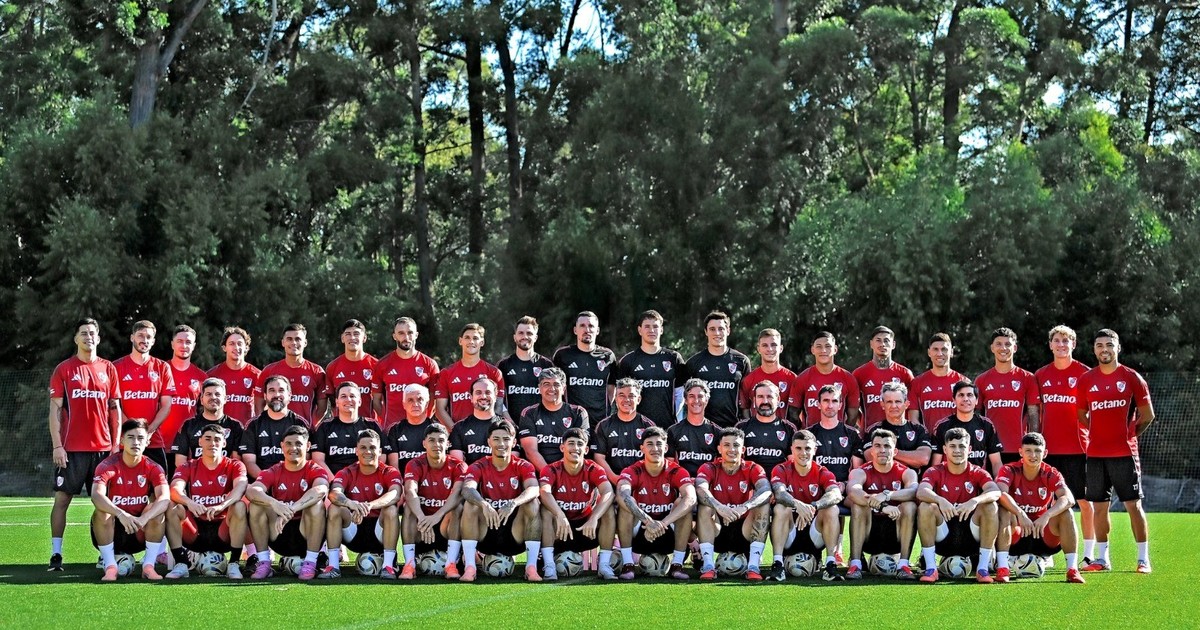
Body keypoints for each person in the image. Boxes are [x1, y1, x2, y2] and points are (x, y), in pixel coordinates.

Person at [1077, 328, 1155, 573]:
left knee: (1133, 505)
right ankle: (1102, 559)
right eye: (1100, 345)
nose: (1104, 349)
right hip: (1095, 455)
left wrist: (1128, 435)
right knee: (1099, 507)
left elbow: (1148, 416)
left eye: (1109, 345)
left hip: (1124, 454)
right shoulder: (1086, 380)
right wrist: (1098, 434)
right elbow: (1081, 415)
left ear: (1118, 348)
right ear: (1094, 350)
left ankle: (1143, 559)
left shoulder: (1132, 378)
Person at [48, 318, 123, 571]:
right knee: (62, 500)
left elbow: (115, 410)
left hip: (103, 450)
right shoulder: (64, 369)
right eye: (83, 333)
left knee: (104, 504)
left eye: (92, 333)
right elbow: (55, 410)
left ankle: (106, 555)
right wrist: (57, 445)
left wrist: (115, 444)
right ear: (76, 339)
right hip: (71, 450)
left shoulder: (108, 368)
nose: (88, 337)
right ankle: (56, 554)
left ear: (98, 338)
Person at [1035, 324, 1094, 563]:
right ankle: (1046, 551)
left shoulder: (1085, 373)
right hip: (1048, 451)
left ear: (1073, 344)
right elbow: (1035, 412)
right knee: (1045, 503)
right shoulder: (1040, 375)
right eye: (1057, 340)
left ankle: (1089, 554)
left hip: (1079, 449)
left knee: (1085, 502)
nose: (1061, 344)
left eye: (1065, 340)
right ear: (1050, 345)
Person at [458, 420, 543, 582]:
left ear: (514, 442)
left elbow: (534, 488)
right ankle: (470, 567)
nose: (501, 444)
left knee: (533, 503)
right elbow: (467, 489)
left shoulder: (523, 465)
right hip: (486, 531)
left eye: (506, 439)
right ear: (489, 441)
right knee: (470, 504)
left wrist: (514, 503)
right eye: (496, 439)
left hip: (514, 533)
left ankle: (531, 567)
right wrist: (483, 503)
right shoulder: (478, 465)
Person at [995, 432, 1084, 583]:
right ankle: (1003, 568)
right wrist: (1020, 513)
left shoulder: (1050, 472)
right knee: (1003, 510)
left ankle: (1072, 570)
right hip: (1017, 534)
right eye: (1028, 450)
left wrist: (1047, 515)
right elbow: (1000, 493)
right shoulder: (1009, 470)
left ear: (1045, 453)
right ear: (1020, 452)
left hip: (1042, 534)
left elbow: (1068, 498)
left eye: (1037, 451)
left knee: (1066, 512)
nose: (1033, 455)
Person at [916, 427, 1001, 583]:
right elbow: (921, 492)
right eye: (952, 446)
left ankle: (982, 569)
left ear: (969, 449)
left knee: (990, 506)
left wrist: (975, 501)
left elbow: (995, 492)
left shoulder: (977, 471)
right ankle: (931, 568)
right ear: (945, 449)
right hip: (943, 535)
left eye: (962, 446)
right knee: (925, 507)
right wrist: (940, 500)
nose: (957, 450)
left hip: (971, 536)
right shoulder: (935, 471)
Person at [164, 423, 248, 579]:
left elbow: (241, 487)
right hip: (195, 530)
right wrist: (189, 502)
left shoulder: (235, 465)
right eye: (208, 439)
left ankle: (234, 563)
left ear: (224, 443)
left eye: (217, 439)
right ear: (200, 441)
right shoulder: (188, 465)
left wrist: (222, 505)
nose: (212, 443)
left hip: (223, 531)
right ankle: (181, 563)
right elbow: (174, 489)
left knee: (239, 506)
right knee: (171, 506)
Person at [245, 425, 329, 580]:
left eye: (298, 444)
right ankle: (264, 562)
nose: (293, 448)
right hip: (278, 531)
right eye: (289, 444)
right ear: (282, 446)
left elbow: (321, 490)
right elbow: (251, 491)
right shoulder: (274, 470)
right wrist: (274, 504)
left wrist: (292, 509)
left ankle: (311, 562)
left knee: (316, 505)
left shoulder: (315, 468)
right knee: (256, 504)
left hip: (306, 533)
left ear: (308, 446)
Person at [90, 419, 170, 581]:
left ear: (147, 442)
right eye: (131, 437)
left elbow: (164, 498)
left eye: (140, 438)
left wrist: (144, 518)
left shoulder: (154, 467)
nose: (136, 442)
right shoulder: (107, 465)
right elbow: (96, 495)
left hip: (138, 528)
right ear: (122, 441)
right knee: (102, 511)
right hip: (112, 528)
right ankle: (110, 566)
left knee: (156, 512)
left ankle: (148, 566)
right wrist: (121, 514)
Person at [319, 429, 403, 579]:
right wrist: (351, 504)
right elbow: (333, 493)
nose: (368, 451)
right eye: (363, 448)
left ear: (380, 451)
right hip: (354, 530)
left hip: (379, 532)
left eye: (372, 447)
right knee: (335, 508)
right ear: (356, 451)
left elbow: (395, 494)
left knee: (391, 509)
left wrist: (369, 505)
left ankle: (388, 566)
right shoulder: (347, 472)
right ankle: (333, 566)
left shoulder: (389, 472)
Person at [615, 427, 696, 580]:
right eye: (650, 444)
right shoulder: (633, 470)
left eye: (659, 444)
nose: (655, 448)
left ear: (666, 448)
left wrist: (662, 524)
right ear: (642, 448)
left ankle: (677, 565)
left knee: (684, 504)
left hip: (667, 531)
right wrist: (648, 521)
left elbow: (691, 498)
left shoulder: (676, 470)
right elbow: (622, 494)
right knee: (627, 503)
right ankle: (628, 564)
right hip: (641, 531)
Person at [538, 428, 617, 580]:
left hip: (586, 529)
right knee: (546, 510)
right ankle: (549, 565)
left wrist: (594, 518)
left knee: (607, 510)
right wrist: (559, 514)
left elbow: (609, 492)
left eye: (580, 444)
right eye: (571, 443)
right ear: (562, 447)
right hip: (560, 530)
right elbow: (544, 492)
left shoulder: (593, 468)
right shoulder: (551, 469)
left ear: (586, 449)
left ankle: (604, 565)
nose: (575, 448)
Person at [695, 428, 772, 581]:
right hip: (717, 530)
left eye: (736, 445)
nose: (731, 449)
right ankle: (708, 566)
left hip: (745, 531)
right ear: (719, 448)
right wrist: (719, 507)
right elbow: (700, 488)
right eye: (727, 445)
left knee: (763, 505)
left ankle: (753, 567)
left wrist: (745, 506)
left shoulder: (752, 467)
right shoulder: (709, 467)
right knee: (705, 506)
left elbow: (766, 490)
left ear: (743, 449)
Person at [768, 430, 844, 581]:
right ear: (792, 450)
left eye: (808, 448)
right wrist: (797, 504)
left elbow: (836, 494)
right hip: (789, 532)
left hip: (815, 533)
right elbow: (779, 493)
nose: (803, 453)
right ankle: (778, 564)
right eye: (799, 448)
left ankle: (831, 565)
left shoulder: (822, 471)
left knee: (832, 509)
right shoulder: (781, 469)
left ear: (815, 450)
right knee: (781, 507)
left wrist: (814, 506)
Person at [847, 429, 920, 579]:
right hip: (869, 534)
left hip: (896, 534)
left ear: (895, 451)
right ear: (871, 451)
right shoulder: (860, 472)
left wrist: (887, 495)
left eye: (887, 446)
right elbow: (853, 491)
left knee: (910, 506)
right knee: (858, 506)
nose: (882, 450)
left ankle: (903, 565)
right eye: (878, 446)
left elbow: (914, 492)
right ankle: (855, 564)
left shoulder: (907, 472)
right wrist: (883, 506)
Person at [401, 424, 468, 579]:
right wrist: (422, 518)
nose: (436, 444)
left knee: (457, 508)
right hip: (422, 528)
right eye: (431, 440)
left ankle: (451, 564)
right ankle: (409, 565)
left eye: (441, 440)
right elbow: (410, 491)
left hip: (445, 526)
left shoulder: (458, 465)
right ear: (424, 443)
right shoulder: (415, 464)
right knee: (408, 508)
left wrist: (437, 516)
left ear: (448, 444)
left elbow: (458, 493)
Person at [113, 320, 176, 471]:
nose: (144, 340)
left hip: (152, 440)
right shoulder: (116, 367)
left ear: (153, 341)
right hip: (124, 440)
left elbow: (166, 406)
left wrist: (148, 432)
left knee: (160, 482)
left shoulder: (162, 367)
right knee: (121, 483)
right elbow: (114, 404)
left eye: (149, 337)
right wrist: (131, 430)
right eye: (140, 335)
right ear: (132, 337)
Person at [975, 327, 1040, 463]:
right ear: (992, 348)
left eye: (1008, 344)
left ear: (1014, 348)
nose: (1003, 348)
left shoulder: (1028, 378)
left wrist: (1033, 443)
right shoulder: (981, 380)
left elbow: (1033, 414)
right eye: (998, 344)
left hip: (1019, 449)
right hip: (991, 449)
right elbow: (976, 415)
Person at [616, 310, 686, 427]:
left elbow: (680, 394)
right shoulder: (628, 361)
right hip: (636, 428)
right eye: (647, 326)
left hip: (667, 427)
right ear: (640, 330)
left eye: (655, 326)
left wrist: (672, 415)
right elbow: (620, 396)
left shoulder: (674, 358)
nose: (651, 330)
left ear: (661, 330)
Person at [371, 317, 440, 432]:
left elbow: (434, 399)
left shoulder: (429, 364)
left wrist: (423, 419)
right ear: (394, 336)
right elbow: (376, 401)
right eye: (401, 333)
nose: (406, 337)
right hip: (392, 430)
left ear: (416, 335)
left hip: (421, 430)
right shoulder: (382, 365)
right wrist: (387, 420)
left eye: (410, 333)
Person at [684, 311, 751, 428]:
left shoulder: (741, 361)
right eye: (712, 329)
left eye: (721, 329)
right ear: (706, 332)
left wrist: (747, 424)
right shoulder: (693, 363)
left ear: (728, 331)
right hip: (702, 428)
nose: (717, 333)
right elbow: (684, 398)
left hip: (733, 428)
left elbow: (746, 398)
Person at [239, 375, 311, 481]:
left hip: (293, 481)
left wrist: (286, 481)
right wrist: (269, 481)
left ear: (289, 395)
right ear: (265, 396)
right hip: (261, 482)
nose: (276, 395)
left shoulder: (300, 424)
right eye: (271, 391)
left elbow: (305, 459)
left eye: (281, 390)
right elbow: (249, 462)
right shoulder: (253, 425)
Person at [518, 367, 590, 471]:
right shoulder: (529, 413)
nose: (552, 388)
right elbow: (530, 451)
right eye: (546, 384)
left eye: (556, 384)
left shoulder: (578, 412)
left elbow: (577, 449)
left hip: (569, 472)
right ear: (539, 388)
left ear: (563, 388)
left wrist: (558, 473)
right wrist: (549, 473)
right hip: (539, 473)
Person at [434, 323, 506, 427]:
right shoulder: (446, 373)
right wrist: (455, 431)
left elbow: (498, 407)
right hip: (458, 432)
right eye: (467, 338)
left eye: (475, 338)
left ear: (482, 342)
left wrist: (491, 430)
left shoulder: (494, 372)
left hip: (487, 432)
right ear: (460, 341)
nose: (471, 341)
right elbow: (439, 409)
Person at [553, 311, 618, 424]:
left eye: (591, 326)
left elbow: (611, 387)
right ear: (575, 330)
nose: (587, 330)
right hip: (571, 421)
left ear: (597, 330)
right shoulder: (562, 355)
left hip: (599, 421)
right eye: (582, 326)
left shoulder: (608, 356)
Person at [255, 324, 327, 424]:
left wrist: (309, 427)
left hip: (303, 431)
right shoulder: (269, 370)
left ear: (305, 342)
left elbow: (322, 409)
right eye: (289, 339)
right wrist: (264, 425)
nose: (294, 342)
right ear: (283, 342)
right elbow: (258, 405)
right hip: (275, 430)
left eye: (298, 339)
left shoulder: (317, 371)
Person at [788, 332, 861, 429]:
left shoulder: (848, 378)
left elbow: (853, 415)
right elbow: (793, 414)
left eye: (828, 346)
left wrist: (843, 433)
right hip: (811, 436)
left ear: (835, 349)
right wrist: (805, 433)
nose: (823, 350)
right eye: (819, 347)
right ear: (812, 350)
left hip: (838, 436)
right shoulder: (802, 379)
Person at [931, 381, 1003, 477]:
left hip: (978, 480)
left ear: (976, 400)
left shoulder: (987, 425)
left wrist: (999, 483)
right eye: (961, 395)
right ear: (954, 400)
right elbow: (936, 464)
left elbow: (996, 462)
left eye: (969, 395)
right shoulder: (942, 426)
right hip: (950, 482)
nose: (965, 399)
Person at [591, 379, 657, 483]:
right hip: (612, 481)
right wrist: (614, 478)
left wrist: (639, 480)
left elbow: (654, 457)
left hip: (641, 481)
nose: (626, 400)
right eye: (621, 395)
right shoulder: (604, 426)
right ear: (616, 398)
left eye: (631, 396)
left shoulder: (648, 426)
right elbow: (599, 457)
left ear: (638, 399)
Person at [162, 325, 207, 475]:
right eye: (180, 341)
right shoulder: (160, 370)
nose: (184, 345)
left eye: (188, 342)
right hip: (159, 444)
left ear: (193, 346)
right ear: (172, 344)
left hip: (188, 446)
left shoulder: (201, 377)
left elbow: (203, 413)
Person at [312, 382, 384, 474]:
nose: (348, 399)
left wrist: (364, 479)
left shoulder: (372, 426)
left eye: (352, 396)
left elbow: (381, 458)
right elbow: (318, 460)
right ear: (337, 402)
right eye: (343, 396)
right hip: (332, 479)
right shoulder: (325, 427)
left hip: (364, 478)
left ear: (359, 401)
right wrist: (335, 480)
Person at [859, 382, 932, 470]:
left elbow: (923, 459)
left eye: (898, 401)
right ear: (882, 404)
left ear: (906, 404)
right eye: (889, 402)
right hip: (883, 478)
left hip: (913, 478)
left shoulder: (919, 429)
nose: (894, 406)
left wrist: (890, 452)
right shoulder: (874, 430)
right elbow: (871, 457)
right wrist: (911, 459)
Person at [852, 326, 915, 428]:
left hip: (899, 433)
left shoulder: (905, 374)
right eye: (878, 340)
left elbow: (913, 408)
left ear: (893, 344)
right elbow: (852, 407)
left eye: (886, 341)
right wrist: (864, 425)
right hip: (870, 434)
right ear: (871, 344)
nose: (882, 344)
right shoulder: (859, 374)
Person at [172, 378, 244, 465]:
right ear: (202, 400)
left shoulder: (235, 426)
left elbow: (236, 462)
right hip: (196, 472)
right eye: (208, 394)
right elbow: (180, 462)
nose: (213, 397)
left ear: (225, 399)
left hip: (225, 472)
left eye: (217, 394)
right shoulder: (189, 425)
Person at [497, 316, 556, 421]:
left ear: (535, 338)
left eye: (529, 333)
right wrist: (509, 422)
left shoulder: (546, 365)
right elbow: (497, 399)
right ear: (514, 337)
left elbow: (554, 397)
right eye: (521, 333)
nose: (525, 336)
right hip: (511, 426)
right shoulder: (503, 365)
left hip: (540, 426)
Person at [735, 381, 797, 473]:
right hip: (750, 480)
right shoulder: (741, 427)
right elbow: (734, 461)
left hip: (779, 480)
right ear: (754, 400)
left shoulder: (789, 429)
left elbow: (793, 464)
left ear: (778, 399)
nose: (765, 401)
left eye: (769, 397)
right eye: (760, 397)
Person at [909, 333, 966, 431]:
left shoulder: (963, 382)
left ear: (951, 352)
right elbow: (913, 419)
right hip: (928, 439)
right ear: (929, 352)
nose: (940, 353)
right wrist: (924, 437)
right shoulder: (917, 382)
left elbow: (968, 416)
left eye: (944, 349)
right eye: (935, 349)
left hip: (955, 439)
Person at [206, 326, 260, 427]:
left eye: (240, 344)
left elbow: (263, 406)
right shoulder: (212, 375)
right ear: (224, 348)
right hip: (219, 431)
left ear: (246, 347)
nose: (236, 347)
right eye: (232, 344)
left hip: (246, 431)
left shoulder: (256, 375)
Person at [738, 329, 797, 422]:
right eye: (765, 345)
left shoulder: (792, 378)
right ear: (758, 349)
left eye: (773, 345)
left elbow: (796, 413)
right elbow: (744, 409)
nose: (769, 349)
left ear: (781, 348)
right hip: (756, 430)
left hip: (783, 431)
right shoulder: (749, 379)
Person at [324, 319, 378, 420]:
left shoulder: (376, 366)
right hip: (340, 426)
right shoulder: (332, 367)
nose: (352, 337)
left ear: (364, 338)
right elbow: (331, 402)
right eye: (348, 334)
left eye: (356, 334)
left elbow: (381, 401)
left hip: (368, 426)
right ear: (342, 338)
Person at [666, 379, 719, 476]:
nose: (696, 400)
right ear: (685, 400)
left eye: (700, 396)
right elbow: (669, 466)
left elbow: (720, 467)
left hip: (708, 482)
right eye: (691, 396)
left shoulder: (717, 432)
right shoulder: (673, 431)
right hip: (682, 481)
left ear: (706, 400)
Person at [448, 377, 502, 465]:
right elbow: (458, 466)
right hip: (469, 473)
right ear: (471, 397)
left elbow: (510, 463)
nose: (483, 396)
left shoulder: (507, 427)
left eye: (488, 392)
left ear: (495, 396)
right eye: (478, 392)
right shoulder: (459, 428)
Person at [384, 384, 437, 473]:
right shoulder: (395, 430)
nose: (415, 404)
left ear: (427, 404)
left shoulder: (436, 429)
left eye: (420, 399)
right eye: (410, 400)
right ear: (404, 404)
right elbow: (394, 467)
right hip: (403, 480)